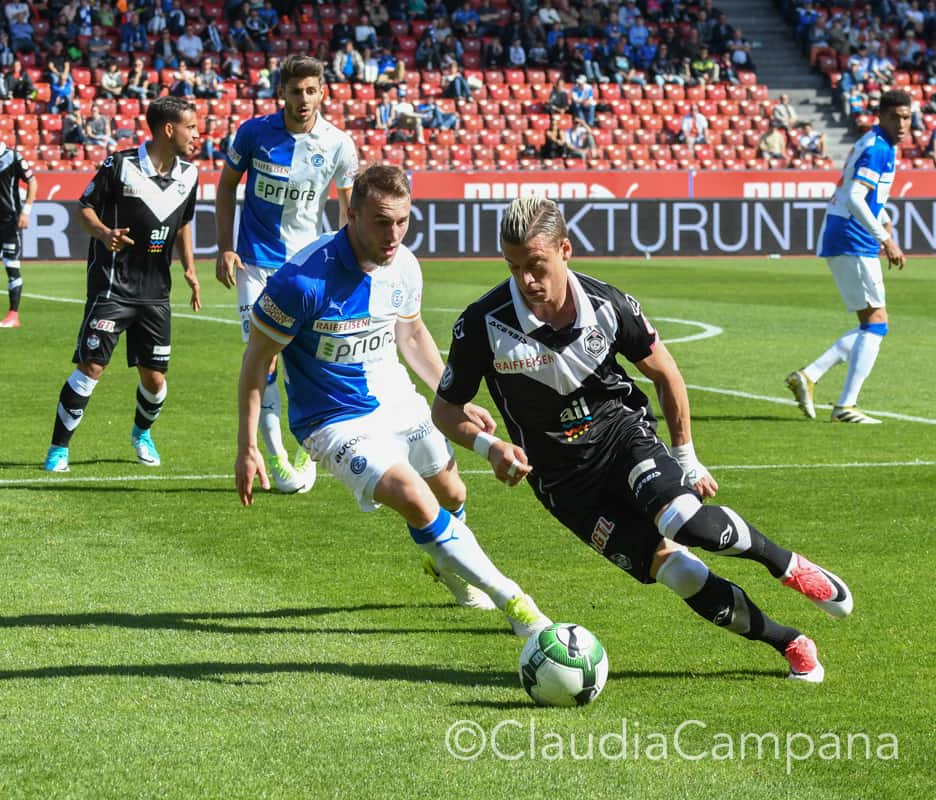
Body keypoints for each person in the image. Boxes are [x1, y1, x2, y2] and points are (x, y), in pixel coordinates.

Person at [432, 196, 855, 684]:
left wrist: (687, 459)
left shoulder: (608, 305)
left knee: (686, 521)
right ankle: (790, 642)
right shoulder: (483, 323)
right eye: (514, 267)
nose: (526, 280)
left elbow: (666, 374)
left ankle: (786, 564)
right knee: (679, 574)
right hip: (564, 485)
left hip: (622, 435)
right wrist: (490, 447)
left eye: (536, 265)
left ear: (564, 250)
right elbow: (445, 410)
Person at [235, 164, 550, 634]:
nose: (394, 234)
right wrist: (247, 445)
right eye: (382, 221)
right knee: (414, 497)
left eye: (403, 221)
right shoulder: (300, 282)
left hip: (395, 396)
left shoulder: (403, 265)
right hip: (332, 417)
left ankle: (445, 564)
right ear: (351, 213)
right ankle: (519, 606)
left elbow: (413, 335)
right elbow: (256, 361)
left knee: (453, 493)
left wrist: (453, 396)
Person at [215, 55, 358, 494]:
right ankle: (275, 455)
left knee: (311, 357)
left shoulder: (338, 143)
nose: (303, 99)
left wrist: (353, 262)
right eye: (295, 91)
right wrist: (225, 246)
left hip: (308, 265)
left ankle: (306, 445)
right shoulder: (254, 133)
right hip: (256, 264)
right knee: (266, 357)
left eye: (311, 91)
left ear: (322, 93)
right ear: (283, 93)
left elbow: (347, 209)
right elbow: (225, 186)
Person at [43, 96, 201, 473]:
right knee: (91, 366)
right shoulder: (121, 164)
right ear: (169, 129)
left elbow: (182, 224)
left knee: (155, 378)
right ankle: (58, 449)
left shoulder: (189, 174)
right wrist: (102, 232)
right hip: (112, 286)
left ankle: (141, 434)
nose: (196, 134)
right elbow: (84, 206)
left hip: (156, 293)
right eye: (190, 127)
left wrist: (190, 270)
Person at [786, 90, 912, 425]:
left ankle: (810, 377)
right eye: (896, 117)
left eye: (907, 117)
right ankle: (845, 405)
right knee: (876, 324)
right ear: (882, 115)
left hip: (848, 234)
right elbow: (856, 197)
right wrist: (885, 239)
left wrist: (885, 227)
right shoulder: (879, 149)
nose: (902, 124)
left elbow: (869, 198)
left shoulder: (876, 143)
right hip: (852, 236)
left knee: (872, 324)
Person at [0, 141, 37, 328]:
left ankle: (13, 315)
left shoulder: (12, 157)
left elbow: (32, 181)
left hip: (8, 222)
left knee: (11, 267)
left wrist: (26, 211)